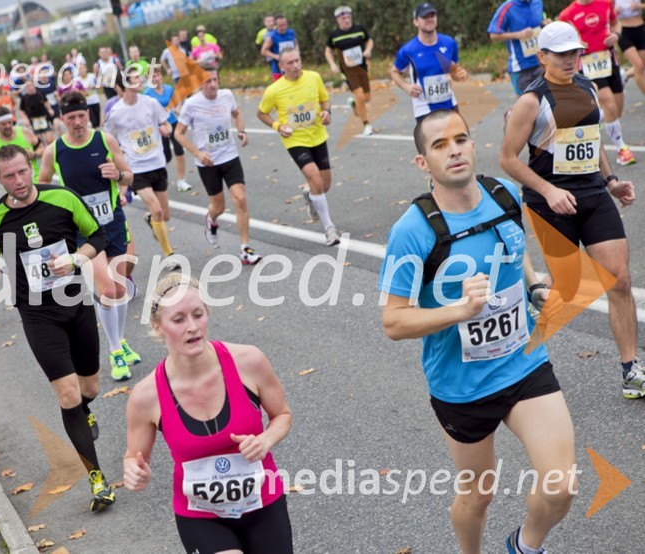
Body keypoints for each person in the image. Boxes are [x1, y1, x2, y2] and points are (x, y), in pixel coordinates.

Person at [381, 109, 576, 554]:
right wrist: (459, 310)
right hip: (462, 385)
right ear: (422, 162)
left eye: (460, 139)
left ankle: (525, 546)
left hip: (523, 362)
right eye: (439, 145)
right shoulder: (412, 231)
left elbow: (514, 248)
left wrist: (534, 285)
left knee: (561, 485)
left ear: (472, 145)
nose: (453, 151)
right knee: (478, 494)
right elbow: (393, 321)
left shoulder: (504, 193)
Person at [500, 21, 644, 399]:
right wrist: (548, 191)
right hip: (550, 203)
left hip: (593, 195)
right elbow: (507, 159)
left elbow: (591, 141)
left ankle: (630, 369)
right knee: (568, 289)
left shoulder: (587, 87)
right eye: (561, 54)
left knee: (619, 279)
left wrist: (611, 181)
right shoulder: (531, 101)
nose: (570, 59)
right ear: (542, 56)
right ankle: (531, 304)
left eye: (575, 52)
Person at [0, 144, 115, 512]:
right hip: (38, 316)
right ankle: (97, 478)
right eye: (9, 176)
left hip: (76, 304)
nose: (19, 181)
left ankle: (85, 409)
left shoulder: (62, 198)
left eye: (23, 171)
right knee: (68, 395)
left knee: (89, 388)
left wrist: (75, 259)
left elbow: (97, 237)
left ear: (31, 167)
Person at [123, 273, 293, 554]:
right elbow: (134, 457)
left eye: (198, 314)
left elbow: (282, 415)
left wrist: (265, 440)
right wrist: (134, 471)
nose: (192, 327)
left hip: (263, 502)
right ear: (158, 327)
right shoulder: (146, 395)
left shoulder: (248, 361)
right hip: (201, 517)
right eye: (178, 319)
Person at [39, 92, 142, 381]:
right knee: (107, 289)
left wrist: (117, 176)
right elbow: (42, 186)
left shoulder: (104, 140)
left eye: (81, 116)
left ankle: (120, 340)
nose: (77, 122)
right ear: (62, 119)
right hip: (83, 231)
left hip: (112, 222)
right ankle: (114, 351)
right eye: (71, 117)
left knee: (120, 288)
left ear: (88, 115)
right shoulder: (54, 151)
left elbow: (129, 175)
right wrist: (60, 206)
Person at [175, 66, 261, 265]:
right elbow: (178, 133)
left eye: (215, 80)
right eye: (208, 81)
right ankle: (211, 219)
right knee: (219, 207)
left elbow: (237, 114)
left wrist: (241, 131)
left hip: (230, 157)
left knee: (240, 198)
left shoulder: (227, 95)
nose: (213, 84)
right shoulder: (191, 104)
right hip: (208, 163)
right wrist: (198, 153)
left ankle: (245, 249)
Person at [257, 48, 341, 246]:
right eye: (290, 63)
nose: (295, 65)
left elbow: (324, 100)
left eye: (297, 60)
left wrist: (327, 112)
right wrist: (277, 126)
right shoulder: (274, 90)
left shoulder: (314, 77)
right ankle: (329, 228)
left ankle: (310, 195)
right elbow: (262, 113)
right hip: (295, 140)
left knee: (324, 185)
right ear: (281, 66)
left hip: (318, 136)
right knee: (315, 179)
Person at [104, 73, 181, 267]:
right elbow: (106, 138)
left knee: (164, 215)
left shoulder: (151, 103)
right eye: (134, 78)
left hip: (157, 163)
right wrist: (117, 155)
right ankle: (169, 255)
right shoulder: (116, 112)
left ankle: (151, 219)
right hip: (136, 168)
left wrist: (166, 129)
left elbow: (166, 122)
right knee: (157, 210)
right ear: (124, 84)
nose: (139, 81)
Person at [559, 0, 636, 165]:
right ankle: (622, 149)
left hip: (609, 60)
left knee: (616, 108)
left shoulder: (605, 4)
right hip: (588, 64)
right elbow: (559, 40)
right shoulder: (567, 14)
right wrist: (575, 45)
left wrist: (616, 35)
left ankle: (597, 116)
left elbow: (616, 23)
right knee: (610, 104)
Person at [391, 3, 469, 122]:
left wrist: (460, 75)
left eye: (432, 16)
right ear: (416, 22)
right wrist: (406, 86)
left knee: (459, 134)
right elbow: (395, 72)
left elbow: (454, 71)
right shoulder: (408, 50)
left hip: (450, 104)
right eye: (425, 17)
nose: (430, 19)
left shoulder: (449, 43)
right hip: (424, 109)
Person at [325, 5, 375, 135]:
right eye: (343, 18)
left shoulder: (359, 30)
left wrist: (368, 50)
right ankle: (366, 125)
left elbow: (369, 41)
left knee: (367, 97)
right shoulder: (334, 35)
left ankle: (354, 104)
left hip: (362, 68)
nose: (346, 20)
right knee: (359, 94)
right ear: (338, 20)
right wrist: (332, 64)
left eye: (348, 17)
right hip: (347, 71)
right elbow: (328, 51)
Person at [144, 69, 192, 192]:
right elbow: (146, 112)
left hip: (173, 122)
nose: (156, 78)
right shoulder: (147, 94)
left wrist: (178, 109)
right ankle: (158, 180)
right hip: (160, 127)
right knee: (166, 156)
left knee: (179, 150)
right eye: (153, 77)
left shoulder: (169, 89)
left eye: (157, 75)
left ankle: (181, 180)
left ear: (161, 76)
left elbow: (177, 101)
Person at [488, 0, 546, 95]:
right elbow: (493, 35)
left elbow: (541, 21)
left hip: (541, 63)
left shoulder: (537, 2)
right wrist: (519, 35)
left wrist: (545, 24)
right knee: (528, 102)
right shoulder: (507, 7)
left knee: (548, 101)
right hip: (521, 67)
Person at [0, 106, 44, 181]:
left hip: (36, 180)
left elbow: (42, 148)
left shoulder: (24, 132)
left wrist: (34, 155)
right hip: (13, 185)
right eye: (3, 124)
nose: (8, 126)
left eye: (10, 122)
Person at [616, 0, 645, 95]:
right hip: (623, 30)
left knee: (642, 65)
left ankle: (624, 75)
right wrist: (615, 12)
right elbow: (605, 12)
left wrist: (640, 6)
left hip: (639, 28)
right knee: (639, 66)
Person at [261, 15, 297, 80]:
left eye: (285, 25)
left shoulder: (291, 32)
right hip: (277, 67)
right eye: (280, 26)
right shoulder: (272, 36)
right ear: (276, 25)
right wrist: (276, 56)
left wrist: (297, 53)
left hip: (292, 65)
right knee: (279, 84)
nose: (283, 27)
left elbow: (295, 43)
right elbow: (263, 51)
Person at [19, 79, 55, 145]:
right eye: (28, 86)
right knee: (40, 142)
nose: (30, 88)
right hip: (34, 120)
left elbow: (46, 102)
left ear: (34, 86)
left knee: (50, 140)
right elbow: (21, 110)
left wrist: (50, 109)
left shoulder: (40, 93)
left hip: (44, 118)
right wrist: (25, 119)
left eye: (31, 85)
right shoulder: (24, 98)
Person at [78, 63, 102, 128]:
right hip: (85, 103)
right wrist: (82, 92)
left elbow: (100, 86)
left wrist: (92, 87)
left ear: (86, 69)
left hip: (95, 101)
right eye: (80, 69)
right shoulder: (77, 80)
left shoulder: (92, 76)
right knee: (93, 121)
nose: (82, 70)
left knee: (97, 122)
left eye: (83, 68)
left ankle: (95, 131)